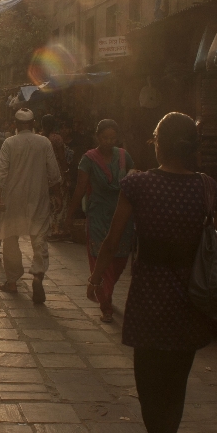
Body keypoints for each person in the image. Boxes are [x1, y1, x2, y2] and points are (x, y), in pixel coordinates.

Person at [89, 112, 217, 433]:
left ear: (157, 144)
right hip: (190, 298)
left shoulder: (138, 184)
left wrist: (96, 277)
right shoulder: (207, 189)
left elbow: (114, 240)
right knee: (175, 383)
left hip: (149, 293)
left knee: (148, 383)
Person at [66, 120, 135, 323]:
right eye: (105, 138)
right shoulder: (88, 159)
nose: (108, 142)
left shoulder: (124, 156)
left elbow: (134, 179)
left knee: (120, 260)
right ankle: (106, 304)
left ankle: (104, 290)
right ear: (98, 137)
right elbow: (80, 188)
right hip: (97, 215)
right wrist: (70, 215)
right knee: (100, 258)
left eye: (112, 138)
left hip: (122, 215)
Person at [0, 108, 61, 304]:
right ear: (33, 124)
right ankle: (38, 274)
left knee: (11, 238)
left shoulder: (9, 143)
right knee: (39, 238)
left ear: (15, 124)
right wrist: (57, 195)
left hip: (13, 198)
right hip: (38, 197)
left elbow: (1, 172)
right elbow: (54, 172)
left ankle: (12, 281)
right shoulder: (44, 142)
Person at [41, 115, 69, 241]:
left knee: (46, 199)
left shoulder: (40, 137)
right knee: (59, 197)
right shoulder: (57, 138)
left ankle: (47, 228)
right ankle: (57, 229)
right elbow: (62, 158)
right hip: (56, 171)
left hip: (42, 172)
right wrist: (66, 171)